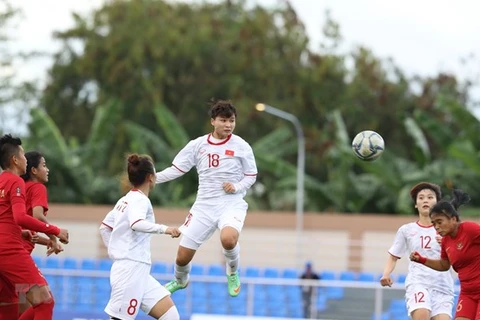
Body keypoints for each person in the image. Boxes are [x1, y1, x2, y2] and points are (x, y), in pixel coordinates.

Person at [154, 99, 257, 297]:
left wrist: (236, 186)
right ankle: (180, 280)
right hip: (203, 207)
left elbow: (251, 175)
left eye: (232, 121)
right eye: (224, 120)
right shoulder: (197, 145)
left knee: (228, 239)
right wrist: (153, 179)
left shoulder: (241, 146)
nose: (228, 125)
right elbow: (177, 169)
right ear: (213, 121)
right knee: (182, 257)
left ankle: (233, 272)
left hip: (231, 204)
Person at [103, 153, 182, 320]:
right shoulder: (140, 200)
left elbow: (105, 227)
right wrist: (165, 229)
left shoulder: (125, 200)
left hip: (138, 270)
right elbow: (136, 223)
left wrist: (117, 253)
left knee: (171, 316)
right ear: (150, 177)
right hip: (130, 270)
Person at [0, 134, 69, 320]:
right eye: (22, 154)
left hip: (5, 254)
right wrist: (55, 231)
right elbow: (22, 217)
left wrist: (22, 232)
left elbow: (10, 220)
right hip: (11, 253)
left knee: (9, 308)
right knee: (45, 301)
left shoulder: (1, 181)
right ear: (15, 159)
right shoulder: (17, 182)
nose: (25, 158)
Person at [380, 182, 455, 320]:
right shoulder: (406, 230)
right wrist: (386, 274)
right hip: (419, 283)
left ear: (437, 202)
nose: (425, 200)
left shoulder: (448, 230)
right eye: (421, 198)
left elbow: (456, 258)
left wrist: (448, 244)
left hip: (443, 286)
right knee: (422, 314)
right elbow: (393, 256)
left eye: (430, 197)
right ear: (416, 204)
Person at [410, 189, 478, 320]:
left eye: (439, 222)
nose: (436, 227)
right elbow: (444, 265)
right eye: (434, 223)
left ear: (453, 219)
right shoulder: (446, 241)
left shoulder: (469, 229)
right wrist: (422, 260)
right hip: (467, 293)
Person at [21, 151, 64, 256]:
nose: (47, 170)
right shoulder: (38, 187)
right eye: (44, 165)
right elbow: (38, 216)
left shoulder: (20, 188)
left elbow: (27, 233)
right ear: (34, 170)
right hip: (19, 251)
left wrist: (50, 242)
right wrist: (54, 236)